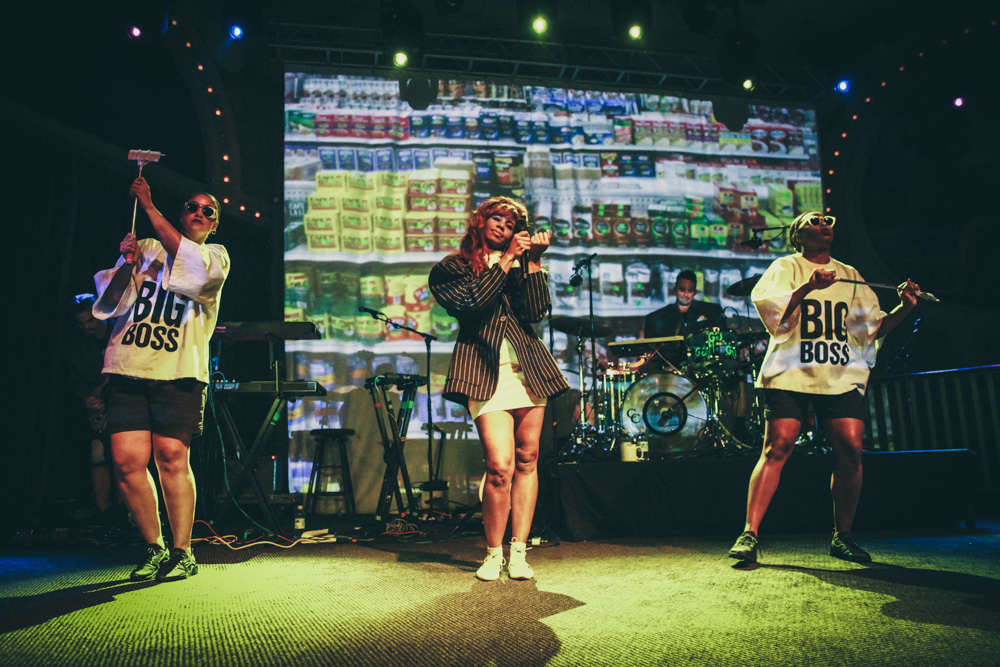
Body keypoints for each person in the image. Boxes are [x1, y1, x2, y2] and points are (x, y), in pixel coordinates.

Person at [728, 211, 919, 564]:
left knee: (850, 449)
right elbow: (774, 318)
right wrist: (808, 287)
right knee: (778, 446)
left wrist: (904, 308)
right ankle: (750, 533)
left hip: (840, 372)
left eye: (828, 220)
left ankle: (842, 536)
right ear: (797, 234)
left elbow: (872, 329)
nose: (824, 224)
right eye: (814, 221)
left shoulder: (850, 275)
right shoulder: (786, 267)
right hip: (791, 371)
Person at [92, 177, 230, 581]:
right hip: (129, 368)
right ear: (182, 211)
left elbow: (194, 275)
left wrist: (150, 206)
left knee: (171, 458)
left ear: (215, 225)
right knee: (126, 461)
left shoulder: (216, 257)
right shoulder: (149, 249)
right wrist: (128, 266)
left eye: (209, 211)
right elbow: (110, 302)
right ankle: (153, 546)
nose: (200, 213)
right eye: (193, 206)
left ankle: (182, 549)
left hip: (178, 371)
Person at [429, 196, 568, 581]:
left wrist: (534, 264)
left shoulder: (523, 265)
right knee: (499, 465)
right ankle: (493, 552)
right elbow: (473, 303)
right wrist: (506, 261)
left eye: (511, 225)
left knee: (527, 458)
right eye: (498, 220)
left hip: (528, 371)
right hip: (485, 371)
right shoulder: (451, 268)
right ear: (481, 220)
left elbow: (535, 313)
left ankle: (519, 550)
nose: (503, 229)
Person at [64, 293, 114, 520]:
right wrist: (87, 398)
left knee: (125, 459)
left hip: (122, 399)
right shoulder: (77, 341)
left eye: (90, 322)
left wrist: (103, 390)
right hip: (97, 407)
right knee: (97, 453)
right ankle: (103, 513)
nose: (86, 328)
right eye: (81, 324)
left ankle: (126, 515)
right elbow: (74, 377)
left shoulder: (119, 331)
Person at [644, 269, 725, 339]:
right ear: (675, 289)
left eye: (690, 291)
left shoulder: (711, 311)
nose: (686, 294)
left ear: (695, 292)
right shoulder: (655, 318)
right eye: (682, 290)